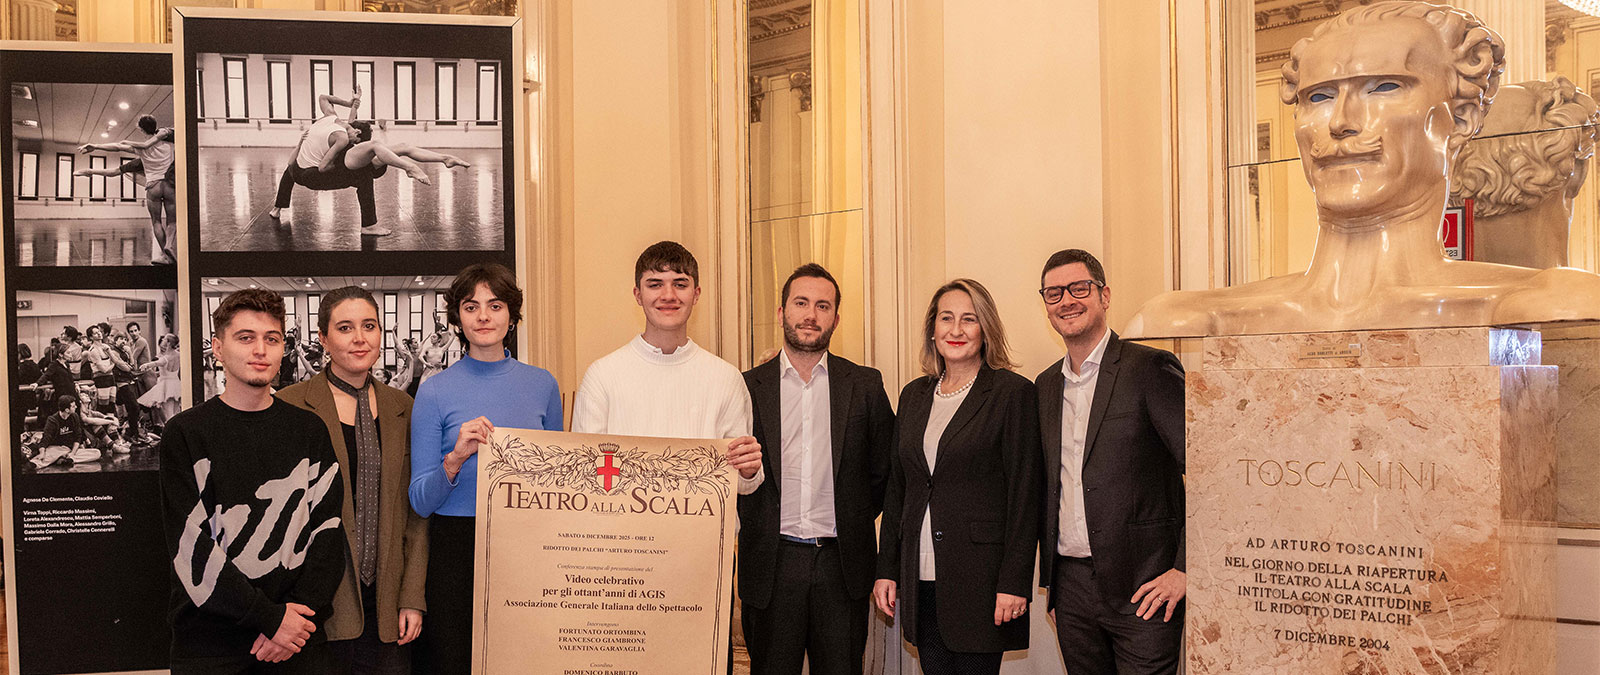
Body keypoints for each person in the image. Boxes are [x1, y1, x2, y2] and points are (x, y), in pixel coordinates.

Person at [1127, 1, 1600, 338]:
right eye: (1320, 96)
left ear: (1460, 119)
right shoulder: (1188, 318)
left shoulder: (1550, 301)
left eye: (1384, 88)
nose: (1340, 123)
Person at [159, 288, 345, 673]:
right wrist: (269, 619)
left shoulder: (309, 430)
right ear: (218, 348)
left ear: (282, 350)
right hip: (212, 646)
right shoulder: (185, 434)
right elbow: (191, 548)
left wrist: (293, 622)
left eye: (271, 339)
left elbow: (328, 532)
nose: (260, 349)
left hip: (298, 640)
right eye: (246, 337)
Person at [873, 278, 1041, 675]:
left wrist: (1015, 581)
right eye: (946, 318)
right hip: (921, 576)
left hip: (982, 581)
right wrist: (887, 569)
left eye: (969, 319)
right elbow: (901, 490)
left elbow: (1025, 494)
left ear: (986, 329)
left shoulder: (1011, 393)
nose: (956, 329)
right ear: (933, 329)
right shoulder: (913, 395)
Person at [1034, 249, 1186, 675]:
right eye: (1053, 293)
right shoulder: (1045, 386)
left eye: (1079, 288)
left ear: (1104, 295)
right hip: (1072, 589)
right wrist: (1055, 588)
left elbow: (1209, 469)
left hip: (1145, 587)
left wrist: (1184, 570)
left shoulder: (1148, 368)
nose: (1066, 300)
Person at [738, 264, 895, 675]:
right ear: (781, 312)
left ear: (836, 318)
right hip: (772, 567)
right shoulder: (745, 388)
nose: (811, 314)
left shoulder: (865, 385)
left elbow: (884, 474)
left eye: (822, 306)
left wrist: (853, 518)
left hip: (841, 568)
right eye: (801, 303)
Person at [408, 263, 562, 675]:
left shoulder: (543, 385)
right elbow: (420, 501)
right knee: (453, 658)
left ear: (511, 315)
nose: (483, 316)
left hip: (527, 543)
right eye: (471, 306)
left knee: (522, 660)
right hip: (455, 546)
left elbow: (559, 484)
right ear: (458, 317)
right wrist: (455, 459)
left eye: (495, 306)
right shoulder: (434, 391)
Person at [278, 287, 428, 674]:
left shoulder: (404, 408)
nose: (360, 338)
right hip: (315, 607)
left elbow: (415, 513)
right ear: (324, 339)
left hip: (388, 604)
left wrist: (411, 596)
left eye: (369, 326)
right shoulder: (290, 405)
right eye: (345, 328)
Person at [571, 241, 764, 489]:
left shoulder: (726, 378)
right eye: (655, 285)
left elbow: (742, 485)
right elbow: (585, 474)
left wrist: (748, 471)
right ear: (638, 295)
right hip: (626, 527)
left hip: (701, 528)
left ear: (696, 294)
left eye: (680, 284)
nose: (668, 295)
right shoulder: (602, 376)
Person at [78, 115, 176, 264]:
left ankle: (165, 255)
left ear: (142, 130)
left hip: (153, 186)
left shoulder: (140, 150)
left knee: (156, 222)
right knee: (172, 221)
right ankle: (171, 247)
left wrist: (95, 147)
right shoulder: (169, 143)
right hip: (169, 186)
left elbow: (117, 148)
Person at [138, 334, 182, 426]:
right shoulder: (178, 355)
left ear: (169, 343)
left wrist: (146, 365)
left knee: (169, 414)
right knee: (176, 412)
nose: (163, 341)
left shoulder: (166, 358)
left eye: (165, 339)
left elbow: (156, 363)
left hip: (166, 385)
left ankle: (171, 432)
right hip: (176, 384)